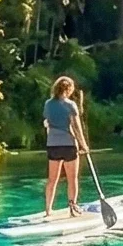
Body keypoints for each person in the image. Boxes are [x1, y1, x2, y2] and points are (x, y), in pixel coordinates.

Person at [43, 74, 86, 215]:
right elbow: (76, 126)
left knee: (52, 180)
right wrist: (83, 145)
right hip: (68, 145)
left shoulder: (48, 104)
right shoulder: (71, 105)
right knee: (72, 179)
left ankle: (48, 210)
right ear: (68, 90)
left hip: (53, 145)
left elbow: (47, 122)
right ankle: (72, 208)